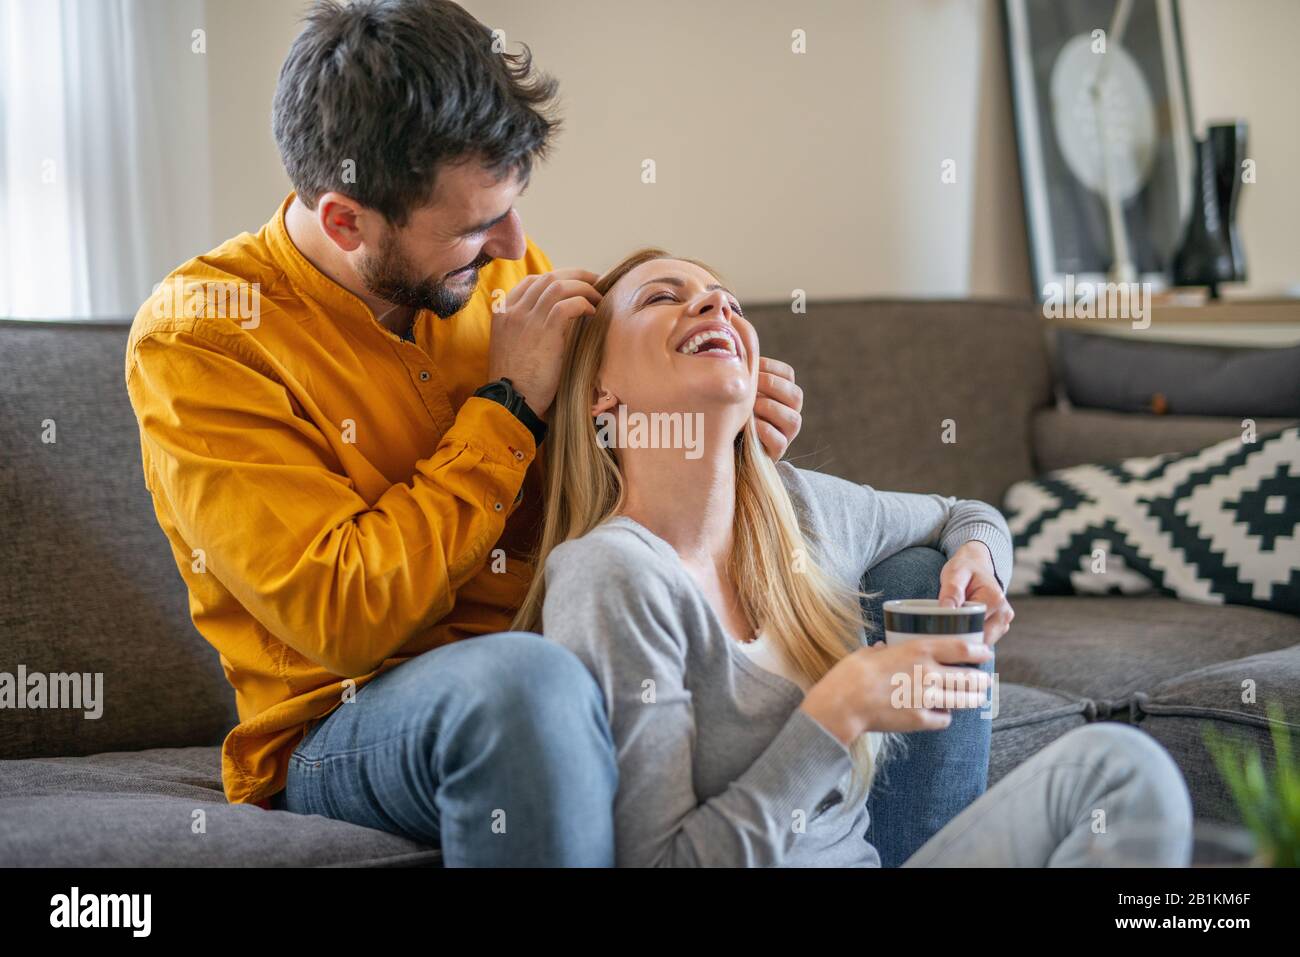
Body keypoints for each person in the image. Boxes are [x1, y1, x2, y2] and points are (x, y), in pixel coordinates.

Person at [514, 248, 1195, 867]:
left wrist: (978, 562)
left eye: (728, 299)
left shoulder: (806, 510)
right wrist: (835, 715)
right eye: (662, 296)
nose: (714, 304)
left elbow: (964, 512)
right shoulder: (609, 573)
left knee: (1125, 769)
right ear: (600, 391)